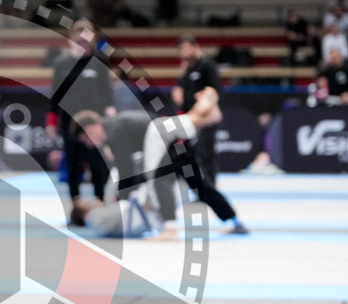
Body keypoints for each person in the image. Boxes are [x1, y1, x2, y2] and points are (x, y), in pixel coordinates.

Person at [70, 88, 245, 239]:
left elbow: (126, 169)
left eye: (86, 140)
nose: (90, 145)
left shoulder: (114, 130)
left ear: (89, 129)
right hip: (172, 139)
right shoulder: (117, 124)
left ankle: (170, 229)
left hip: (161, 136)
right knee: (199, 184)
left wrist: (122, 202)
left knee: (158, 180)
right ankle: (234, 221)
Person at [171, 36, 247, 238]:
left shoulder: (207, 66)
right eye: (182, 49)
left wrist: (205, 102)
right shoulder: (188, 70)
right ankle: (200, 192)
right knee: (188, 164)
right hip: (188, 124)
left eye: (187, 48)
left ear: (196, 47)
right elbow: (179, 94)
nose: (184, 53)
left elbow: (214, 92)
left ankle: (208, 189)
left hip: (203, 122)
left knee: (204, 158)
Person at [48, 18, 116, 215]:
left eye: (86, 42)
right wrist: (51, 121)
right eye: (79, 42)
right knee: (72, 162)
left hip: (95, 122)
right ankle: (76, 203)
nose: (83, 46)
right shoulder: (61, 62)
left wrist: (110, 109)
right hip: (70, 121)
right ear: (71, 40)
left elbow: (107, 90)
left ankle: (100, 199)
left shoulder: (100, 60)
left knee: (97, 162)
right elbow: (56, 95)